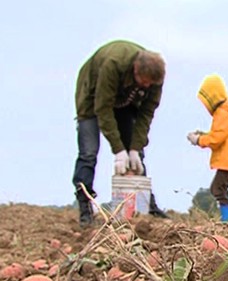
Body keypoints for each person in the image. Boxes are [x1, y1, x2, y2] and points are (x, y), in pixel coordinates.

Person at [72, 40, 168, 227]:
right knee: (88, 152)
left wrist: (134, 148)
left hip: (126, 101)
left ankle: (147, 205)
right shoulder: (114, 64)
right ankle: (85, 206)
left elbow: (146, 114)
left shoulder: (155, 79)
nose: (147, 86)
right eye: (144, 81)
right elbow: (103, 108)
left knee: (136, 156)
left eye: (151, 83)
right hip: (93, 99)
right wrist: (118, 150)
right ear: (135, 70)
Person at [187, 74, 228, 221]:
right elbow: (220, 134)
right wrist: (203, 135)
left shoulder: (224, 112)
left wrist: (198, 140)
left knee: (217, 189)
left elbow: (216, 139)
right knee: (221, 188)